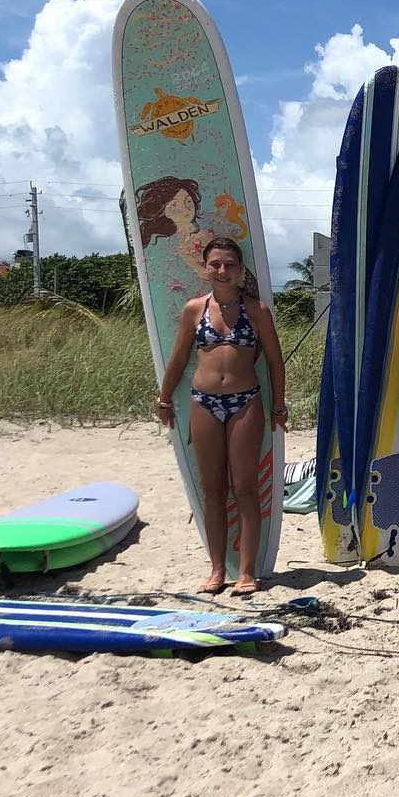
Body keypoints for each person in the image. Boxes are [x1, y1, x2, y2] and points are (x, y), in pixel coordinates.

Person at [157, 237, 286, 596]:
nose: (222, 271)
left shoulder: (257, 310)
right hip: (203, 403)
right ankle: (216, 571)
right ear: (205, 268)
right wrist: (165, 399)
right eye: (215, 264)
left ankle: (246, 572)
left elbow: (275, 362)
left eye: (230, 264)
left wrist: (279, 406)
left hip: (246, 402)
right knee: (213, 490)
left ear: (241, 270)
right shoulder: (193, 310)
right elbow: (180, 359)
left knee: (245, 488)